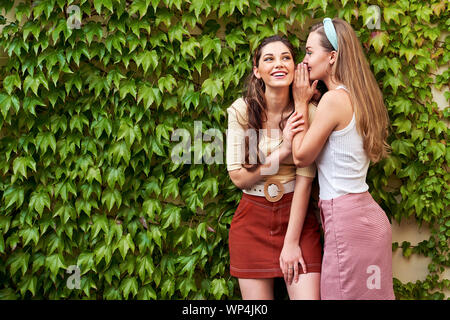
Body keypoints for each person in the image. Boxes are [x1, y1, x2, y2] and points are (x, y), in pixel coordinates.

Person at [291, 18, 395, 300]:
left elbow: (301, 156)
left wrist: (300, 102)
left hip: (346, 220)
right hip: (367, 219)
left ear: (333, 56)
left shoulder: (334, 100)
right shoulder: (361, 96)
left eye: (310, 52)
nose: (305, 60)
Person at [226, 35, 322, 300]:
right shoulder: (241, 112)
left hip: (298, 220)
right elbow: (239, 178)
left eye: (286, 58)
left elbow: (305, 180)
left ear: (295, 67)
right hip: (252, 219)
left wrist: (291, 242)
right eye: (269, 59)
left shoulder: (310, 112)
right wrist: (284, 151)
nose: (279, 64)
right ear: (257, 70)